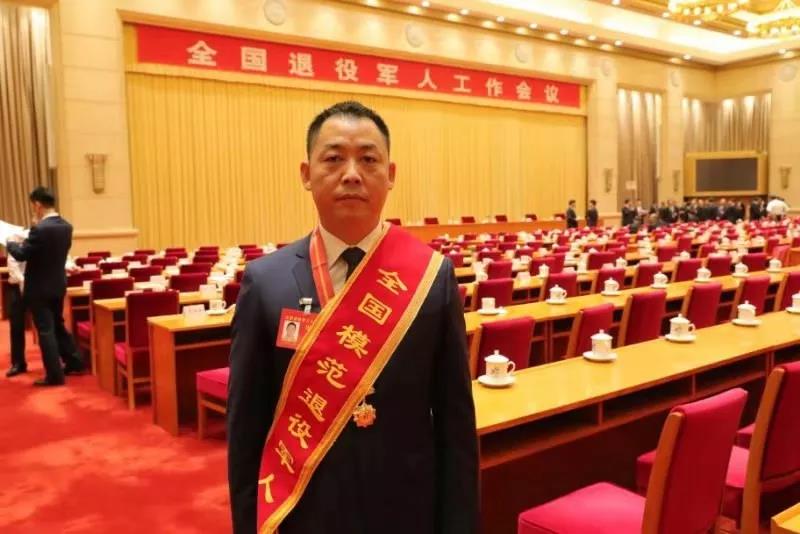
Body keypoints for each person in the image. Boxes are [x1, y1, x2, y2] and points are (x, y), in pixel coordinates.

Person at [227, 101, 478, 534]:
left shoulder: (431, 277)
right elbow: (246, 430)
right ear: (306, 174)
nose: (351, 174)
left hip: (406, 511)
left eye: (368, 159)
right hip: (302, 513)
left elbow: (455, 425)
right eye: (333, 158)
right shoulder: (265, 282)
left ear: (390, 174)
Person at [5, 187, 84, 386]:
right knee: (57, 324)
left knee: (46, 330)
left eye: (34, 206)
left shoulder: (40, 229)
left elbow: (21, 255)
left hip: (39, 288)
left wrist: (10, 243)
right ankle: (74, 361)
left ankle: (54, 375)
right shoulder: (66, 226)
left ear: (38, 205)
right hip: (58, 284)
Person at [5, 234, 28, 377]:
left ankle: (53, 363)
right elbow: (14, 270)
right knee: (17, 327)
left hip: (35, 287)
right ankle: (18, 363)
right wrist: (24, 284)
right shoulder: (15, 244)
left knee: (45, 325)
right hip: (17, 289)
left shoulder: (37, 243)